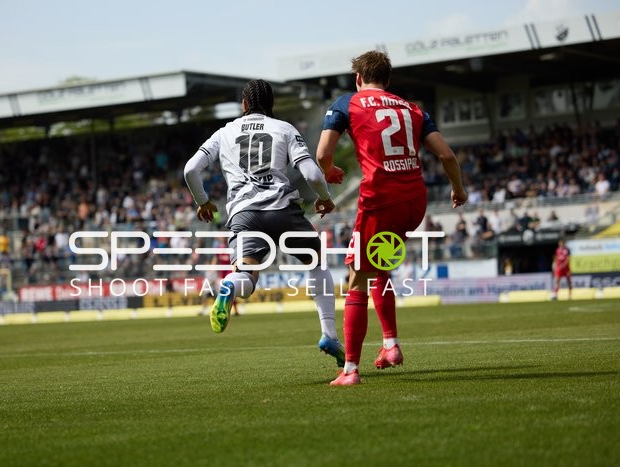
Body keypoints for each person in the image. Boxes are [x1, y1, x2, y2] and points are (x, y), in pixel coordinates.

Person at [316, 50, 467, 386]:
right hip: (415, 203)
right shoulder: (413, 109)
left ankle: (350, 370)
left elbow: (323, 154)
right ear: (388, 80)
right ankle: (390, 345)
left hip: (380, 201)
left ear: (358, 79)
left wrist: (331, 170)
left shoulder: (348, 102)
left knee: (356, 277)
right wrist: (458, 190)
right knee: (378, 266)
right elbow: (446, 155)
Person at [183, 79, 346, 366]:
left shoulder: (224, 132)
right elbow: (312, 175)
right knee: (317, 263)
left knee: (247, 276)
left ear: (244, 104)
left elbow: (191, 169)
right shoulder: (284, 128)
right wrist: (325, 198)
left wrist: (203, 201)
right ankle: (329, 333)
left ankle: (230, 286)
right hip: (282, 210)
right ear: (271, 105)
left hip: (244, 215)